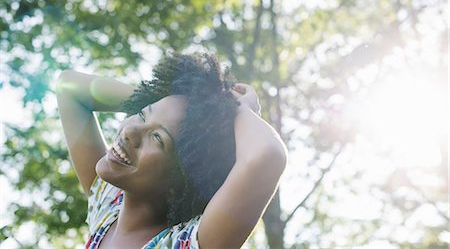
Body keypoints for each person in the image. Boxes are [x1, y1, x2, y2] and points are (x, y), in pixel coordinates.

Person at [56, 52, 287, 249]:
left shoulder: (184, 242)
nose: (130, 132)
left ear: (185, 177)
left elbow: (267, 155)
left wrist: (237, 108)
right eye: (143, 113)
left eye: (157, 138)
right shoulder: (107, 207)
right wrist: (167, 97)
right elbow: (69, 87)